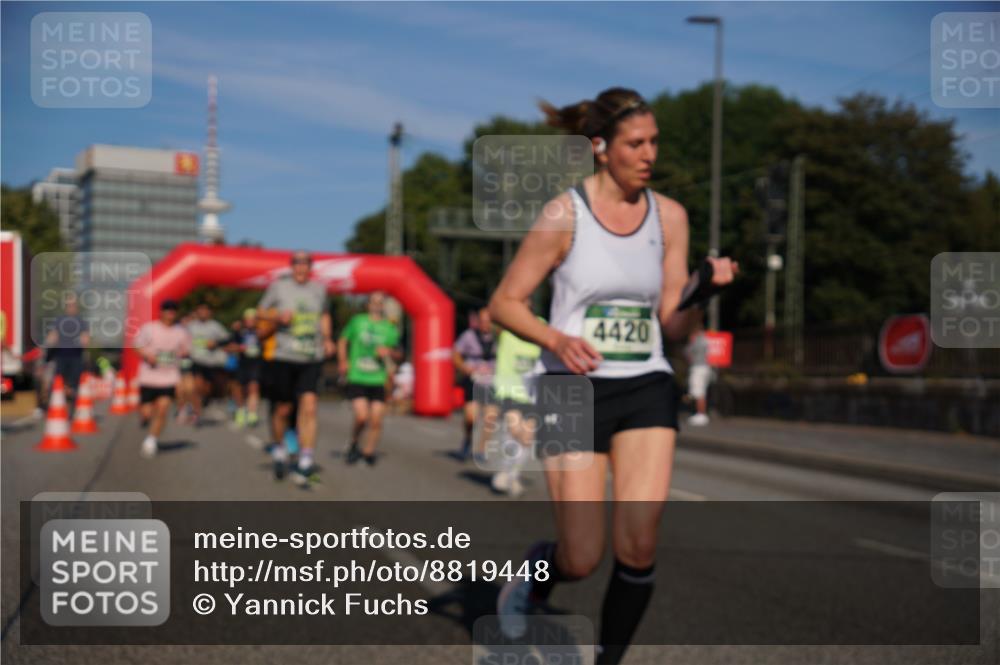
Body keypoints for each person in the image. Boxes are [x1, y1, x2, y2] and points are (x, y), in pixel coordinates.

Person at [488, 88, 738, 664]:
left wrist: (703, 289)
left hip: (645, 382)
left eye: (654, 141)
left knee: (640, 539)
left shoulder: (669, 216)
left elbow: (672, 324)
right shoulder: (563, 214)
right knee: (581, 556)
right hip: (570, 389)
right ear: (601, 148)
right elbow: (506, 303)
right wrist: (556, 338)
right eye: (636, 143)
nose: (649, 153)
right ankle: (534, 574)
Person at [259, 251, 335, 486]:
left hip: (311, 356)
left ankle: (306, 457)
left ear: (310, 267)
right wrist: (278, 317)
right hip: (284, 355)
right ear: (291, 266)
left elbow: (324, 315)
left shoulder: (319, 289)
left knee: (309, 407)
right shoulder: (279, 287)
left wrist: (328, 338)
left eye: (305, 263)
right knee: (283, 409)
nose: (301, 267)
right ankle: (279, 449)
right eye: (297, 263)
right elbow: (260, 311)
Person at [488, 299, 544, 498]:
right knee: (513, 431)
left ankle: (513, 473)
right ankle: (504, 470)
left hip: (533, 392)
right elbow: (490, 318)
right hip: (509, 390)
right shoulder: (505, 328)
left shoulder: (541, 325)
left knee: (527, 438)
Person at [339, 292, 402, 466]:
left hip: (378, 379)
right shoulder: (358, 321)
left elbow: (398, 352)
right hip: (358, 376)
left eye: (380, 302)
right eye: (374, 302)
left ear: (383, 306)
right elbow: (343, 340)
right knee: (361, 416)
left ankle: (368, 451)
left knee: (376, 419)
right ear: (367, 304)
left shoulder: (389, 328)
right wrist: (343, 361)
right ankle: (353, 442)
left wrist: (388, 352)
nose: (377, 305)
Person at [135, 300, 191, 458]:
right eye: (167, 310)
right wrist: (148, 355)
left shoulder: (181, 332)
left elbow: (186, 351)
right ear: (161, 312)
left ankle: (151, 440)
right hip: (148, 377)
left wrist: (183, 357)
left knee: (163, 409)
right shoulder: (149, 328)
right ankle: (146, 419)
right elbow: (137, 346)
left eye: (173, 310)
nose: (170, 313)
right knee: (147, 412)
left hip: (169, 378)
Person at [452, 307, 496, 460]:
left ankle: (481, 450)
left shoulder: (499, 337)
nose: (485, 324)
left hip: (492, 382)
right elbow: (455, 353)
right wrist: (464, 367)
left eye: (488, 321)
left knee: (490, 418)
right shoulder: (469, 336)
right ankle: (468, 439)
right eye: (482, 321)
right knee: (471, 417)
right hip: (473, 381)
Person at [185, 303, 230, 424]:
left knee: (208, 388)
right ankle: (196, 410)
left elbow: (227, 338)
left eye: (205, 311)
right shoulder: (191, 326)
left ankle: (204, 400)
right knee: (197, 385)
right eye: (200, 311)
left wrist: (215, 343)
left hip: (211, 362)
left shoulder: (215, 326)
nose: (203, 313)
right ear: (197, 312)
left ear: (209, 313)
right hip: (196, 360)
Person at [45, 296, 90, 404]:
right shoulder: (59, 320)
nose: (71, 307)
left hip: (76, 357)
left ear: (76, 307)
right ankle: (56, 404)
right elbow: (52, 336)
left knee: (74, 384)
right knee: (58, 382)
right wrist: (47, 345)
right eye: (69, 305)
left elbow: (85, 339)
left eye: (73, 305)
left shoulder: (81, 321)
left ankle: (73, 406)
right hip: (61, 356)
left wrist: (83, 342)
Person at [233, 308, 263, 428]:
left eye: (253, 319)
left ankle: (252, 413)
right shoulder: (239, 332)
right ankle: (241, 411)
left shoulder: (261, 332)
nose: (250, 322)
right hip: (242, 364)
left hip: (255, 364)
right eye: (248, 319)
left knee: (253, 387)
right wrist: (239, 348)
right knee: (239, 389)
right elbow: (229, 345)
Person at [685, 321, 713, 426]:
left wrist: (690, 341)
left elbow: (688, 352)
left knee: (698, 391)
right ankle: (700, 413)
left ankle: (701, 414)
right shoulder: (705, 339)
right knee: (701, 391)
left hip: (698, 367)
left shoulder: (697, 340)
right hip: (705, 367)